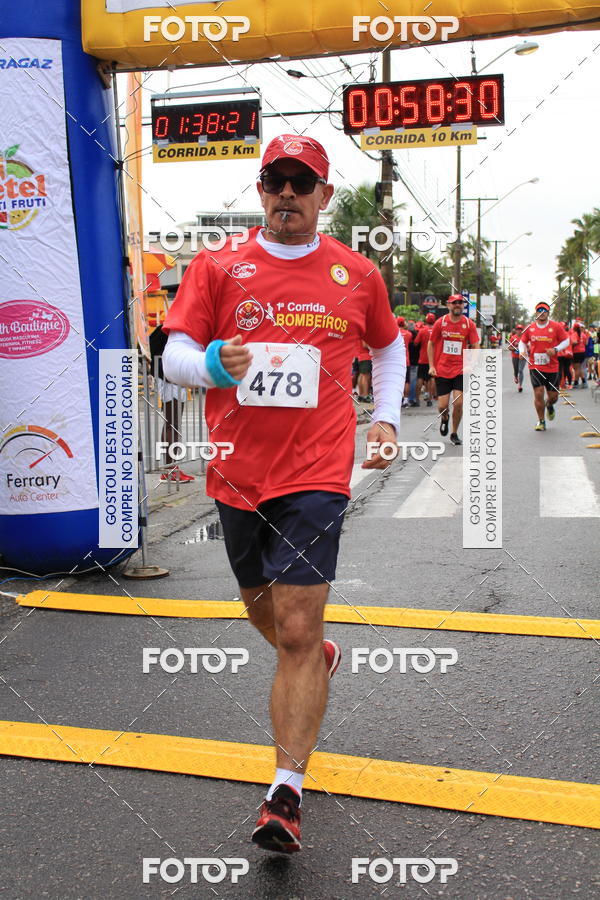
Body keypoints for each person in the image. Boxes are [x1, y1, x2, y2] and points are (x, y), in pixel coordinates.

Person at [161, 134, 406, 854]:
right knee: (264, 613)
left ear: (325, 196)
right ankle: (316, 657)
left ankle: (284, 793)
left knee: (296, 628)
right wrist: (211, 363)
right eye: (276, 180)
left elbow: (388, 345)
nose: (288, 194)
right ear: (261, 189)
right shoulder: (217, 266)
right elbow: (172, 351)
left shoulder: (356, 274)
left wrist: (386, 418)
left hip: (317, 474)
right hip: (237, 473)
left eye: (303, 181)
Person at [428, 294, 479, 446]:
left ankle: (454, 432)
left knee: (458, 403)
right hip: (442, 369)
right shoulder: (440, 322)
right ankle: (445, 418)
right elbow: (431, 343)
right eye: (454, 303)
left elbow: (476, 345)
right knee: (442, 406)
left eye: (460, 303)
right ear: (448, 305)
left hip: (461, 370)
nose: (458, 305)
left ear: (463, 306)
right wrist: (432, 365)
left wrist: (472, 363)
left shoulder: (469, 324)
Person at [518, 301, 569, 431]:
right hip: (535, 366)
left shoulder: (556, 327)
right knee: (538, 393)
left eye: (544, 310)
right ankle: (541, 421)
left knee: (553, 397)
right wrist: (522, 351)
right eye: (539, 310)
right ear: (536, 312)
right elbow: (522, 342)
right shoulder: (530, 328)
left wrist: (556, 349)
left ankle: (549, 405)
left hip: (552, 366)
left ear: (548, 312)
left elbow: (566, 340)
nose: (542, 313)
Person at [414, 312, 436, 406]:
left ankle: (417, 399)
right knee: (432, 379)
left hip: (422, 359)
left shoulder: (422, 331)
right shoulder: (437, 330)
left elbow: (415, 343)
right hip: (434, 359)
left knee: (420, 378)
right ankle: (430, 399)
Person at [396, 316, 412, 408]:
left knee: (397, 381)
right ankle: (405, 400)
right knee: (406, 381)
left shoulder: (394, 333)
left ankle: (397, 399)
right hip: (406, 360)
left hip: (396, 361)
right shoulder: (408, 334)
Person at [507, 323, 525, 392]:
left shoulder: (524, 337)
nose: (519, 331)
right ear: (516, 330)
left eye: (520, 330)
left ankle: (520, 385)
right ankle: (515, 376)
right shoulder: (513, 338)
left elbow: (528, 346)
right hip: (515, 356)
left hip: (523, 356)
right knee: (516, 369)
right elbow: (509, 347)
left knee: (520, 370)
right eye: (518, 330)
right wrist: (516, 348)